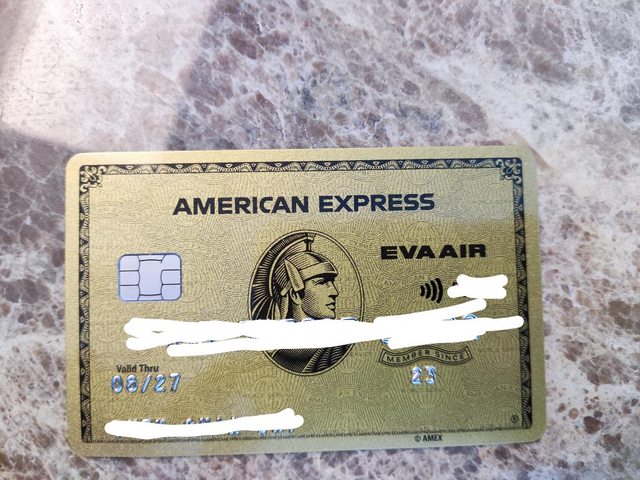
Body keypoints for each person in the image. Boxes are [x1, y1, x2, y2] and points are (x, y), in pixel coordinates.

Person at [269, 250, 350, 374]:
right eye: (322, 282)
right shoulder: (278, 358)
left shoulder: (340, 349)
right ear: (295, 295)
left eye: (332, 283)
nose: (334, 292)